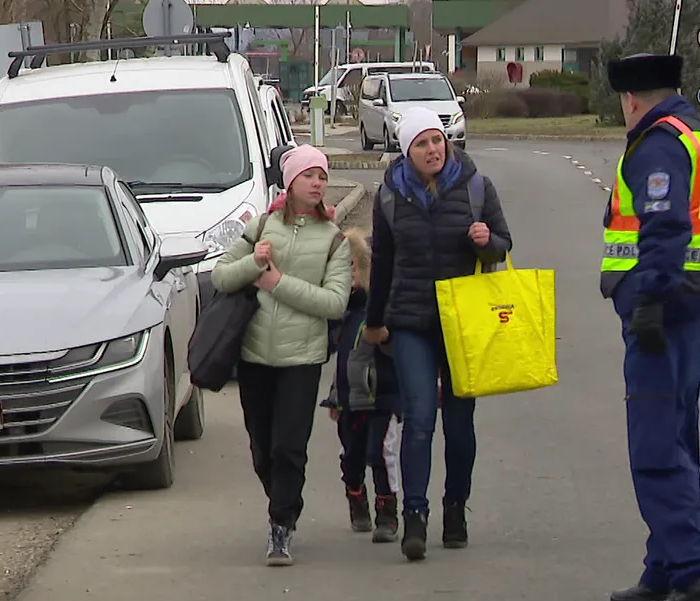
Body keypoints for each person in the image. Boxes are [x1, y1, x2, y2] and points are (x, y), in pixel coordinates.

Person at [599, 53, 700, 601]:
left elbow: (666, 226)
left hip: (665, 310)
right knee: (677, 435)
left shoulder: (658, 145)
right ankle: (664, 564)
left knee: (655, 445)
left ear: (631, 99)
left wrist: (650, 300)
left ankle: (695, 569)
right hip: (697, 304)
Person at [364, 107, 513, 562]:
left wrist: (486, 241)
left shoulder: (476, 187)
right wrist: (374, 321)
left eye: (437, 140)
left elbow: (503, 244)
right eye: (422, 144)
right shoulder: (389, 195)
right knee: (419, 418)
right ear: (406, 151)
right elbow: (382, 262)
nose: (433, 150)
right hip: (411, 323)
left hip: (463, 322)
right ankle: (415, 515)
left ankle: (455, 509)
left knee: (460, 424)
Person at [210, 144, 353, 567]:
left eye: (322, 176)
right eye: (309, 175)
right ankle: (285, 499)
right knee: (263, 450)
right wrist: (253, 265)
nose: (317, 183)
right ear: (290, 182)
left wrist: (277, 283)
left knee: (290, 447)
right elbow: (221, 276)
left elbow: (335, 303)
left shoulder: (334, 240)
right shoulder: (261, 227)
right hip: (254, 355)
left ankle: (281, 524)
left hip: (302, 359)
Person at [320, 230, 403, 543]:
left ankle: (387, 511)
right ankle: (356, 497)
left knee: (381, 452)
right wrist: (334, 396)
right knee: (351, 455)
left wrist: (385, 333)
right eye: (343, 268)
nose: (349, 274)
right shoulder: (341, 312)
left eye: (354, 267)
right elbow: (338, 358)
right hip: (348, 398)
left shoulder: (384, 307)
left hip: (383, 395)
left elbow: (397, 344)